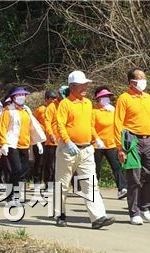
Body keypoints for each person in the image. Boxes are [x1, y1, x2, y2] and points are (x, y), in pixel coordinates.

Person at [54, 70, 115, 229]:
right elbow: (60, 125)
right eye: (82, 85)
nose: (85, 87)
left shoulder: (88, 103)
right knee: (63, 183)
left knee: (91, 183)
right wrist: (67, 142)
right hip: (68, 149)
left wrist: (96, 138)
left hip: (86, 149)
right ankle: (60, 214)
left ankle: (98, 217)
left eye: (86, 84)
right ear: (73, 86)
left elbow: (89, 125)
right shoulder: (65, 104)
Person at [114, 67, 150, 225]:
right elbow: (117, 123)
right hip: (131, 140)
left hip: (148, 140)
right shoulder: (124, 98)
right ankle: (134, 212)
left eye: (144, 78)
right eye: (140, 78)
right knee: (134, 177)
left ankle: (144, 206)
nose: (143, 81)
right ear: (132, 81)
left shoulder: (148, 98)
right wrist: (119, 148)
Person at [0, 86, 46, 203]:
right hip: (12, 145)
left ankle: (13, 193)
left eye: (23, 95)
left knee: (23, 170)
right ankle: (15, 195)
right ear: (13, 98)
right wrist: (3, 144)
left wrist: (38, 142)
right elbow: (1, 128)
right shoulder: (8, 112)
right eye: (18, 95)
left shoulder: (26, 111)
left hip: (25, 145)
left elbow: (33, 127)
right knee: (17, 169)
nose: (22, 97)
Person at [92, 86, 127, 199]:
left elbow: (119, 125)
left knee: (117, 166)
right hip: (97, 145)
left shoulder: (113, 111)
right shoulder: (94, 111)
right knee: (96, 168)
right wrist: (97, 138)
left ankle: (122, 188)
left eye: (107, 97)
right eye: (103, 97)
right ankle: (94, 190)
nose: (106, 99)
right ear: (98, 99)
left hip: (111, 143)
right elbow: (90, 127)